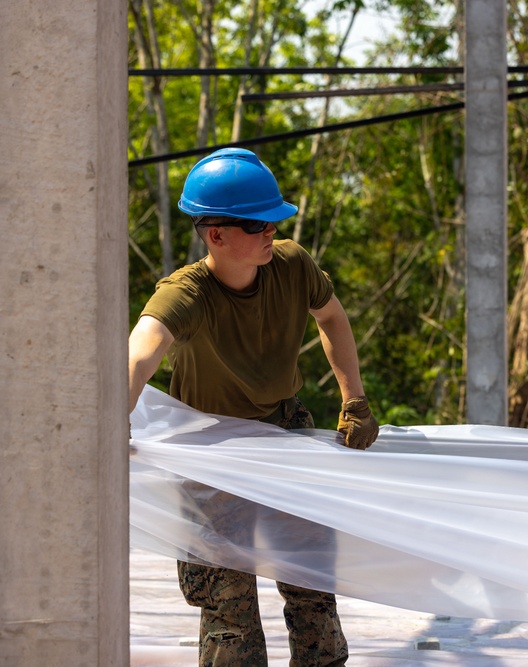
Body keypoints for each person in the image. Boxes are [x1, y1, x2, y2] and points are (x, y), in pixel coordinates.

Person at [128, 147, 378, 667]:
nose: (271, 231)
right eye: (258, 224)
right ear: (215, 234)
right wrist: (109, 429)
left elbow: (331, 317)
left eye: (273, 222)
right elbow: (137, 357)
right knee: (227, 601)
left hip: (283, 431)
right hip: (210, 451)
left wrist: (353, 398)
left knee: (310, 579)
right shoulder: (186, 293)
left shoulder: (291, 264)